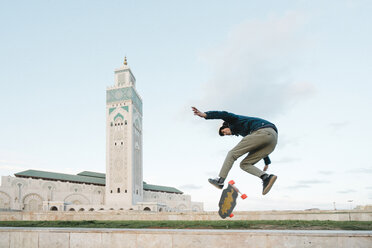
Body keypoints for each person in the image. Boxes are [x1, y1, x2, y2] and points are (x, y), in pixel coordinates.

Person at [192, 107, 278, 195]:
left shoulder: (234, 121)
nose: (226, 134)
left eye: (224, 131)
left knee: (232, 154)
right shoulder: (245, 132)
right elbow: (259, 143)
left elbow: (223, 114)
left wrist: (205, 115)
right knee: (244, 164)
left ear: (226, 125)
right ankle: (266, 177)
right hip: (272, 140)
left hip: (262, 131)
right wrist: (267, 162)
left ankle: (220, 181)